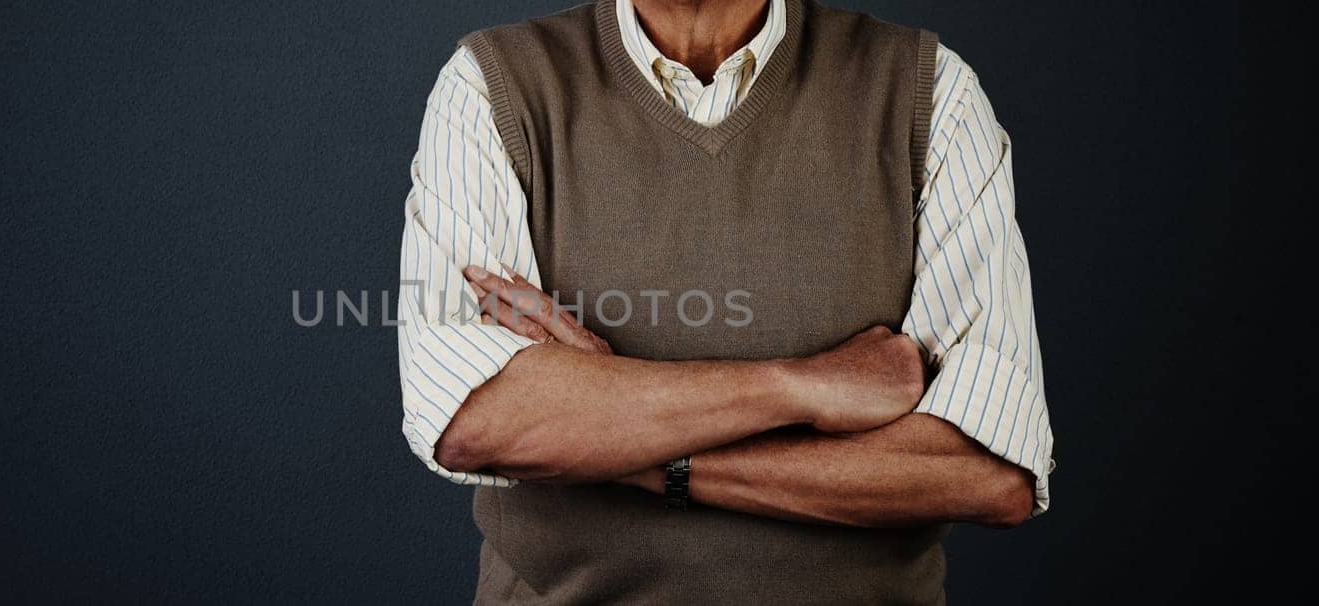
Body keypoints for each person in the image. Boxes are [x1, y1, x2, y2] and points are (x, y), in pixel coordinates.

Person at [396, 0, 1053, 602]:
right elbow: (474, 421)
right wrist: (805, 386)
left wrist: (625, 443)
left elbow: (986, 472)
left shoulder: (930, 92)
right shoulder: (492, 86)